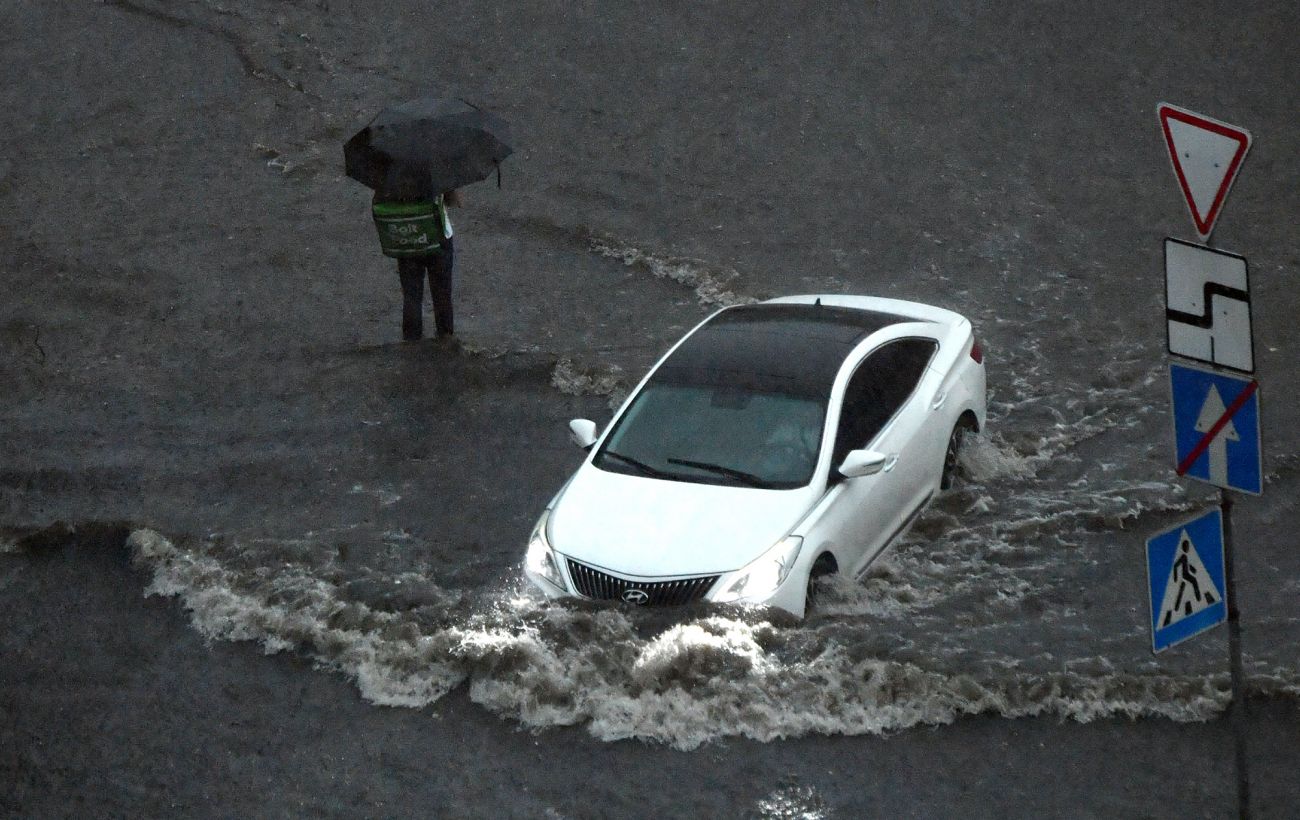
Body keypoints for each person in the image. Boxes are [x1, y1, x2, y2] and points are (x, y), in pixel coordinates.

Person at [371, 170, 463, 341]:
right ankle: (445, 339)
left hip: (408, 239)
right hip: (439, 238)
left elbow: (379, 202)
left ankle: (411, 340)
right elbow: (452, 200)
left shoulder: (391, 169)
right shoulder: (436, 165)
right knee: (442, 294)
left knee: (411, 295)